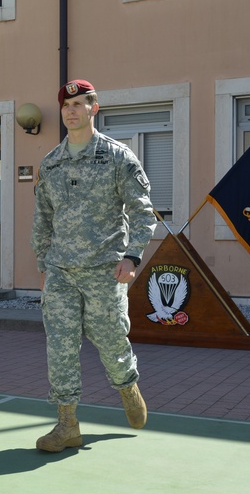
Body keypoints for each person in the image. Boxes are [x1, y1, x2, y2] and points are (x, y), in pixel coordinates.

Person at [31, 79, 157, 452]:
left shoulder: (118, 157)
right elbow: (43, 218)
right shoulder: (51, 163)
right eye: (66, 106)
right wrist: (43, 265)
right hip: (61, 273)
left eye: (78, 104)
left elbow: (141, 210)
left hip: (105, 270)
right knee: (61, 347)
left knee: (111, 342)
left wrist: (132, 256)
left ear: (93, 108)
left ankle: (127, 385)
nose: (70, 111)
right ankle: (67, 423)